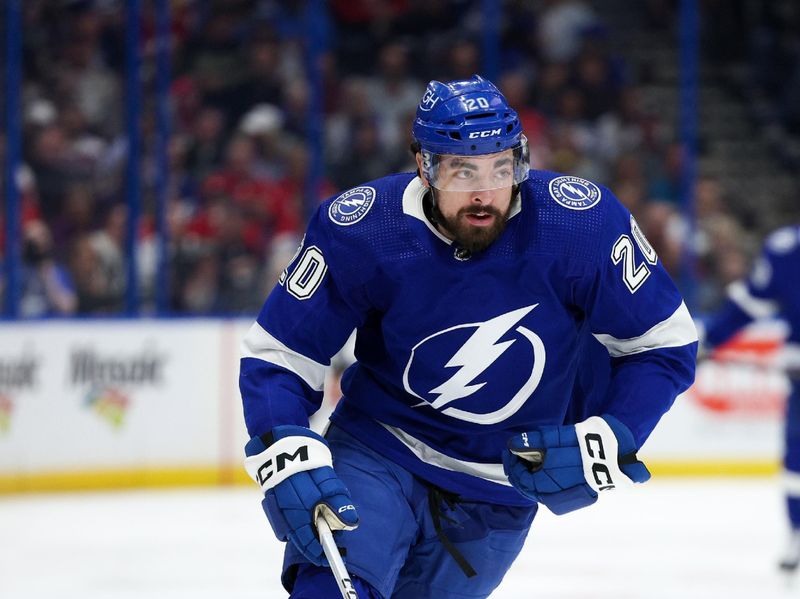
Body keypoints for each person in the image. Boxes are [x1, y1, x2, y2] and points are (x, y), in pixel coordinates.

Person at [239, 75, 698, 598]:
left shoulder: (579, 225)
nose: (483, 193)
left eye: (500, 168)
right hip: (378, 449)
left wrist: (615, 434)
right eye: (462, 171)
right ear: (424, 166)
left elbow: (663, 343)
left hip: (503, 483)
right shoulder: (366, 228)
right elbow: (280, 353)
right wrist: (285, 442)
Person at [701, 224, 800, 572]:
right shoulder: (787, 249)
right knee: (797, 460)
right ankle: (797, 534)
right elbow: (751, 303)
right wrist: (707, 339)